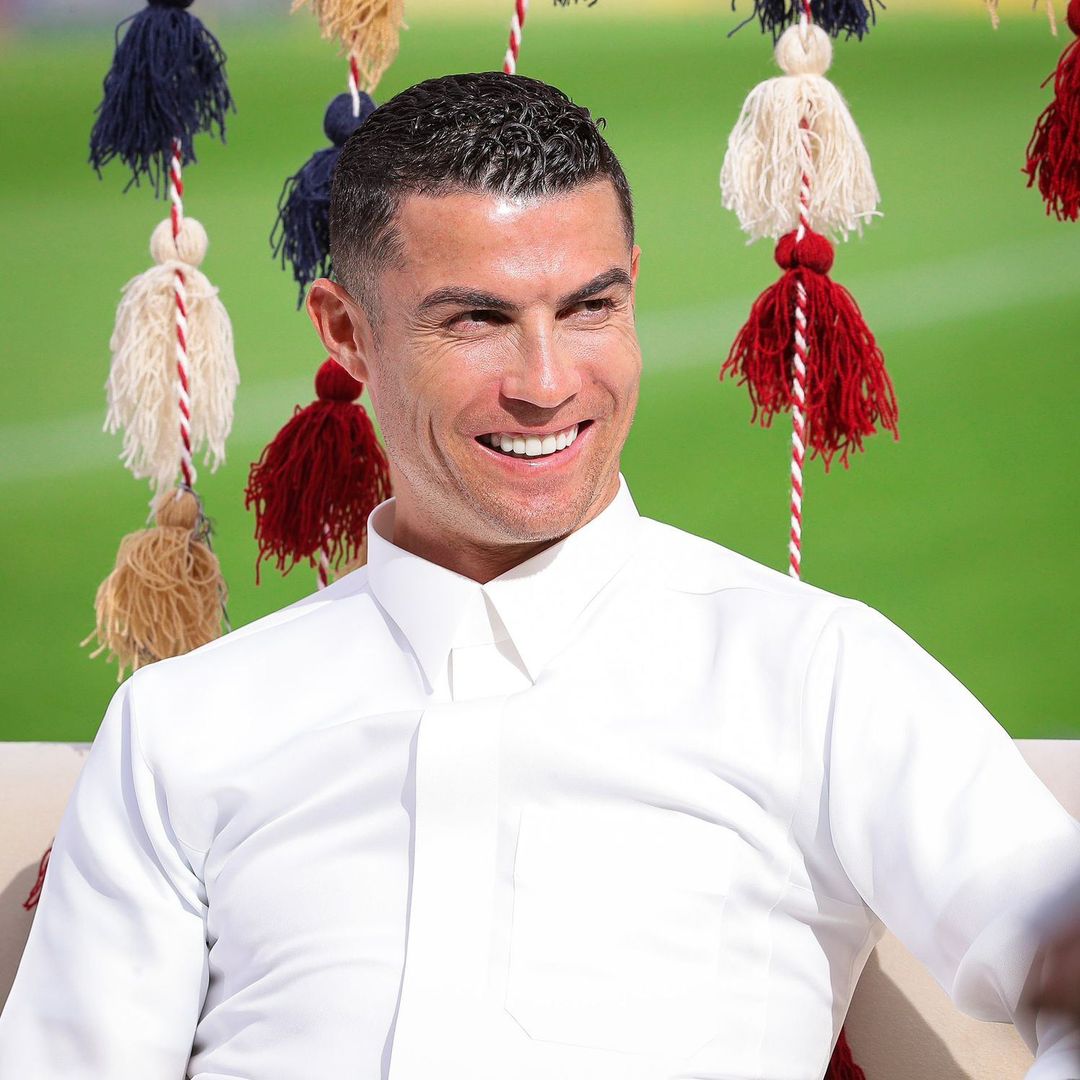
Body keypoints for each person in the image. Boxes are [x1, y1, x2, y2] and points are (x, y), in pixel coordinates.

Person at [0, 70, 1078, 1080]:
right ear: (346, 334)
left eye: (589, 308)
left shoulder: (813, 674)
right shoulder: (182, 728)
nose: (549, 383)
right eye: (477, 320)